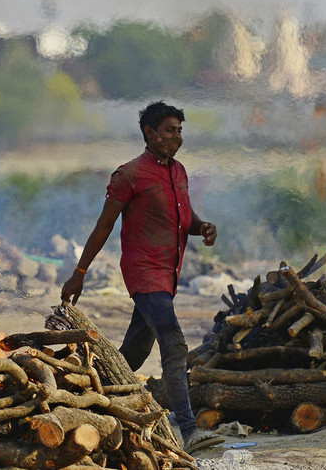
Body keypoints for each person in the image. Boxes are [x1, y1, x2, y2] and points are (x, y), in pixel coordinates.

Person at [60, 101, 224, 454]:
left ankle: (81, 398)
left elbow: (185, 217)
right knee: (174, 342)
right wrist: (79, 273)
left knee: (131, 356)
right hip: (144, 272)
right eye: (169, 130)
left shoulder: (178, 171)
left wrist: (203, 227)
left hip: (168, 276)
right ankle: (190, 429)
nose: (177, 137)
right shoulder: (129, 174)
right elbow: (104, 225)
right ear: (150, 133)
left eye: (180, 130)